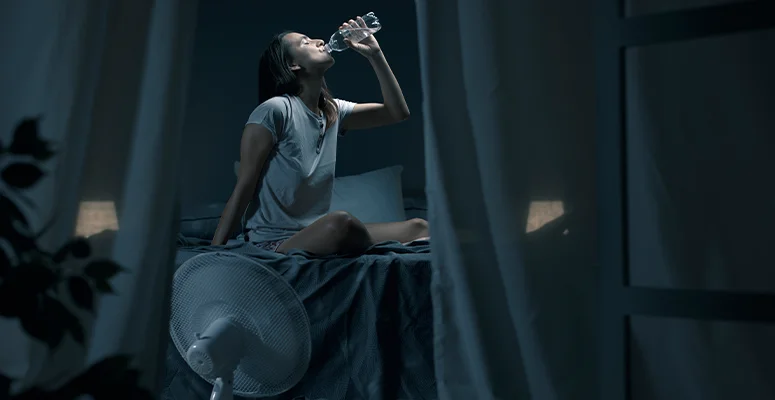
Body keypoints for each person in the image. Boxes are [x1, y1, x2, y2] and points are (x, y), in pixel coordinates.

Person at [212, 17, 429, 255]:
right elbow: (244, 187)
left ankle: (378, 246)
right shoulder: (274, 110)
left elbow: (397, 112)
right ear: (293, 65)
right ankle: (379, 248)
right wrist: (215, 251)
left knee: (419, 227)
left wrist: (375, 55)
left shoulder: (333, 110)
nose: (319, 41)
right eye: (305, 42)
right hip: (274, 242)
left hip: (316, 233)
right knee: (341, 223)